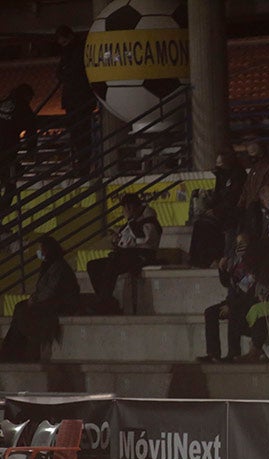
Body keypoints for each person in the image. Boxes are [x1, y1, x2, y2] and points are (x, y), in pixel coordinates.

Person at [0, 235, 79, 362]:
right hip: (49, 300)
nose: (38, 252)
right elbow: (42, 288)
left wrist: (35, 300)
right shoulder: (48, 265)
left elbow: (51, 290)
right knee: (20, 307)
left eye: (40, 248)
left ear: (47, 249)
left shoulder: (58, 266)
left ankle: (14, 350)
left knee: (24, 311)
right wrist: (34, 298)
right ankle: (13, 349)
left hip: (61, 303)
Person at [86, 193, 162, 307]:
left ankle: (104, 302)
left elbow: (143, 240)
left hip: (142, 256)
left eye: (126, 208)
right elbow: (126, 239)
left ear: (131, 207)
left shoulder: (149, 221)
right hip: (127, 255)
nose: (124, 211)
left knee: (113, 263)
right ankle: (105, 299)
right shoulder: (132, 221)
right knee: (93, 265)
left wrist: (128, 228)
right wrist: (117, 240)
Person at [197, 233, 257, 363]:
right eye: (238, 244)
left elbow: (247, 291)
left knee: (233, 313)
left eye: (243, 244)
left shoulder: (253, 265)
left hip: (245, 304)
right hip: (232, 301)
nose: (239, 247)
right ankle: (213, 353)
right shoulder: (236, 262)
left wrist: (231, 306)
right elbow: (228, 283)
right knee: (210, 312)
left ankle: (233, 353)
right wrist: (222, 270)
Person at [54, 25, 96, 175]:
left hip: (79, 97)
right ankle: (82, 163)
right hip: (77, 97)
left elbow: (67, 72)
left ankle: (83, 163)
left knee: (80, 131)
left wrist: (66, 75)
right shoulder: (73, 51)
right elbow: (61, 72)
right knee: (77, 132)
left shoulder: (77, 51)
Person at [0, 83, 36, 214]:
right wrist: (31, 149)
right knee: (10, 184)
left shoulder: (4, 102)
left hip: (5, 150)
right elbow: (31, 129)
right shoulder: (23, 107)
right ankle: (2, 212)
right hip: (7, 152)